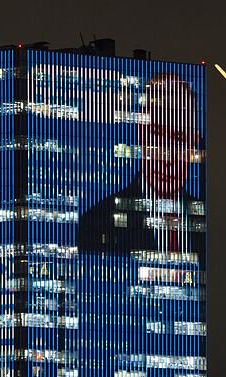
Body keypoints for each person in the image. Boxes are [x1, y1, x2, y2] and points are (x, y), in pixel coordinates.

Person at [77, 73, 205, 259]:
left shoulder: (211, 225)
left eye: (178, 138)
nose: (166, 155)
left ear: (194, 141)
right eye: (158, 135)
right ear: (141, 134)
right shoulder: (98, 222)